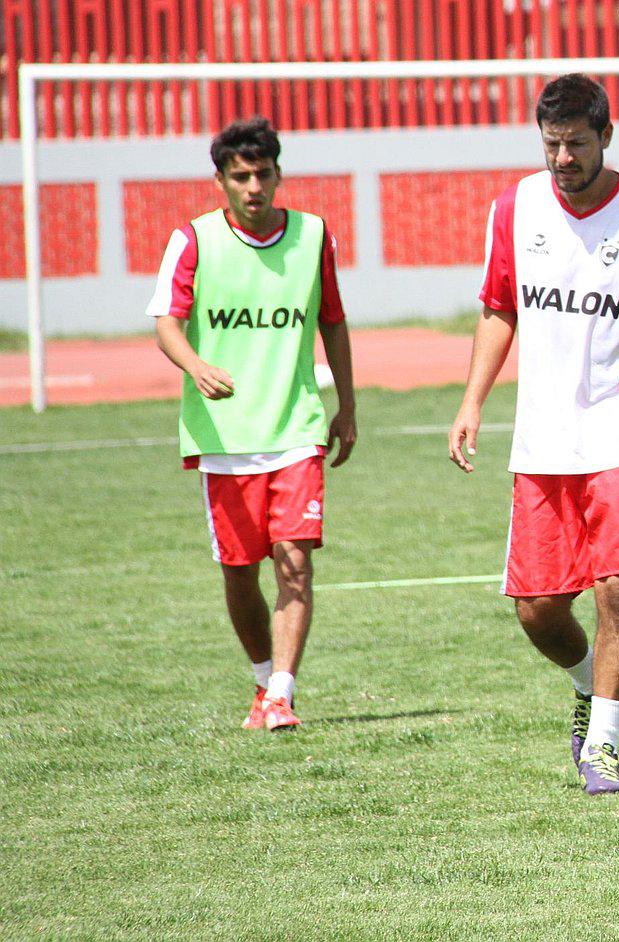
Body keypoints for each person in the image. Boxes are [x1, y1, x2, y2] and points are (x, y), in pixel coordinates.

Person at [448, 74, 619, 796]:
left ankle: (603, 747)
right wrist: (472, 401)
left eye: (575, 144)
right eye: (551, 144)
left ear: (605, 137)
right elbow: (498, 308)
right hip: (541, 439)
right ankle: (586, 687)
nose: (562, 158)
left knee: (618, 594)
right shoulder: (514, 209)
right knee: (536, 609)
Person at [149, 116, 357, 733]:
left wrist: (348, 404)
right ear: (220, 181)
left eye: (264, 174)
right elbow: (166, 320)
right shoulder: (192, 241)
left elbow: (334, 322)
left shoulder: (314, 236)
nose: (254, 187)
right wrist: (196, 364)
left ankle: (282, 696)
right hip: (223, 437)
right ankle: (264, 679)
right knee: (239, 572)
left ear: (278, 174)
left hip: (296, 427)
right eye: (240, 177)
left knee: (294, 560)